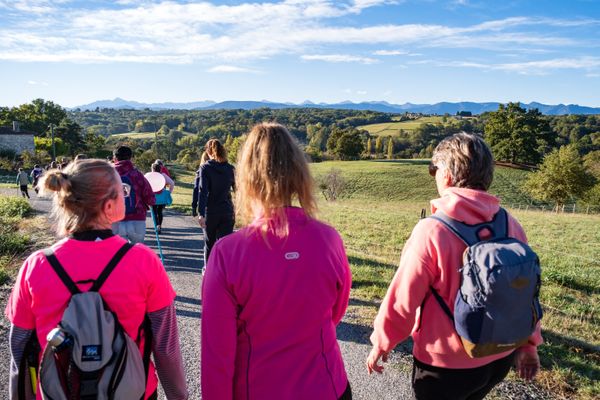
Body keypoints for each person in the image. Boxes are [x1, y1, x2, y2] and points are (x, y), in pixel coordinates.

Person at [366, 132, 542, 400]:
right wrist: (530, 345)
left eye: (433, 169)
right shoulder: (510, 223)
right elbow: (524, 292)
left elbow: (403, 300)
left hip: (445, 366)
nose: (433, 175)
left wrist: (382, 342)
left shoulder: (432, 231)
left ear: (446, 175)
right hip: (498, 358)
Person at [5, 159, 188, 400]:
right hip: (133, 392)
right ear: (110, 205)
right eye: (122, 191)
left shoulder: (36, 265)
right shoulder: (143, 261)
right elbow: (165, 346)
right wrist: (178, 396)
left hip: (58, 391)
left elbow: (19, 347)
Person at [202, 123, 352, 400]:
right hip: (329, 386)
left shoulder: (227, 253)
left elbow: (217, 355)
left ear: (247, 177)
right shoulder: (330, 239)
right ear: (298, 172)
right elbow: (335, 313)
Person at [191, 139, 235, 264]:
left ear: (208, 151)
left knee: (209, 244)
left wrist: (201, 213)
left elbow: (202, 191)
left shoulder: (205, 168)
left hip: (211, 211)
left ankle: (209, 272)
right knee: (226, 245)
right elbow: (238, 190)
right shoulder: (230, 168)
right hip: (227, 210)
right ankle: (226, 274)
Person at [112, 146, 156, 244]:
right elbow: (150, 199)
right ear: (130, 158)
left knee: (119, 254)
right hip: (137, 218)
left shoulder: (108, 175)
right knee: (136, 251)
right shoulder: (137, 175)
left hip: (115, 220)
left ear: (114, 158)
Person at [150, 162, 175, 234]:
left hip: (153, 196)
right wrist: (169, 192)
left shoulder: (149, 175)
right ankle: (159, 225)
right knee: (160, 211)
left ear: (152, 169)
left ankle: (156, 225)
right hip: (162, 196)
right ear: (160, 169)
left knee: (154, 212)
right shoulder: (163, 175)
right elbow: (172, 183)